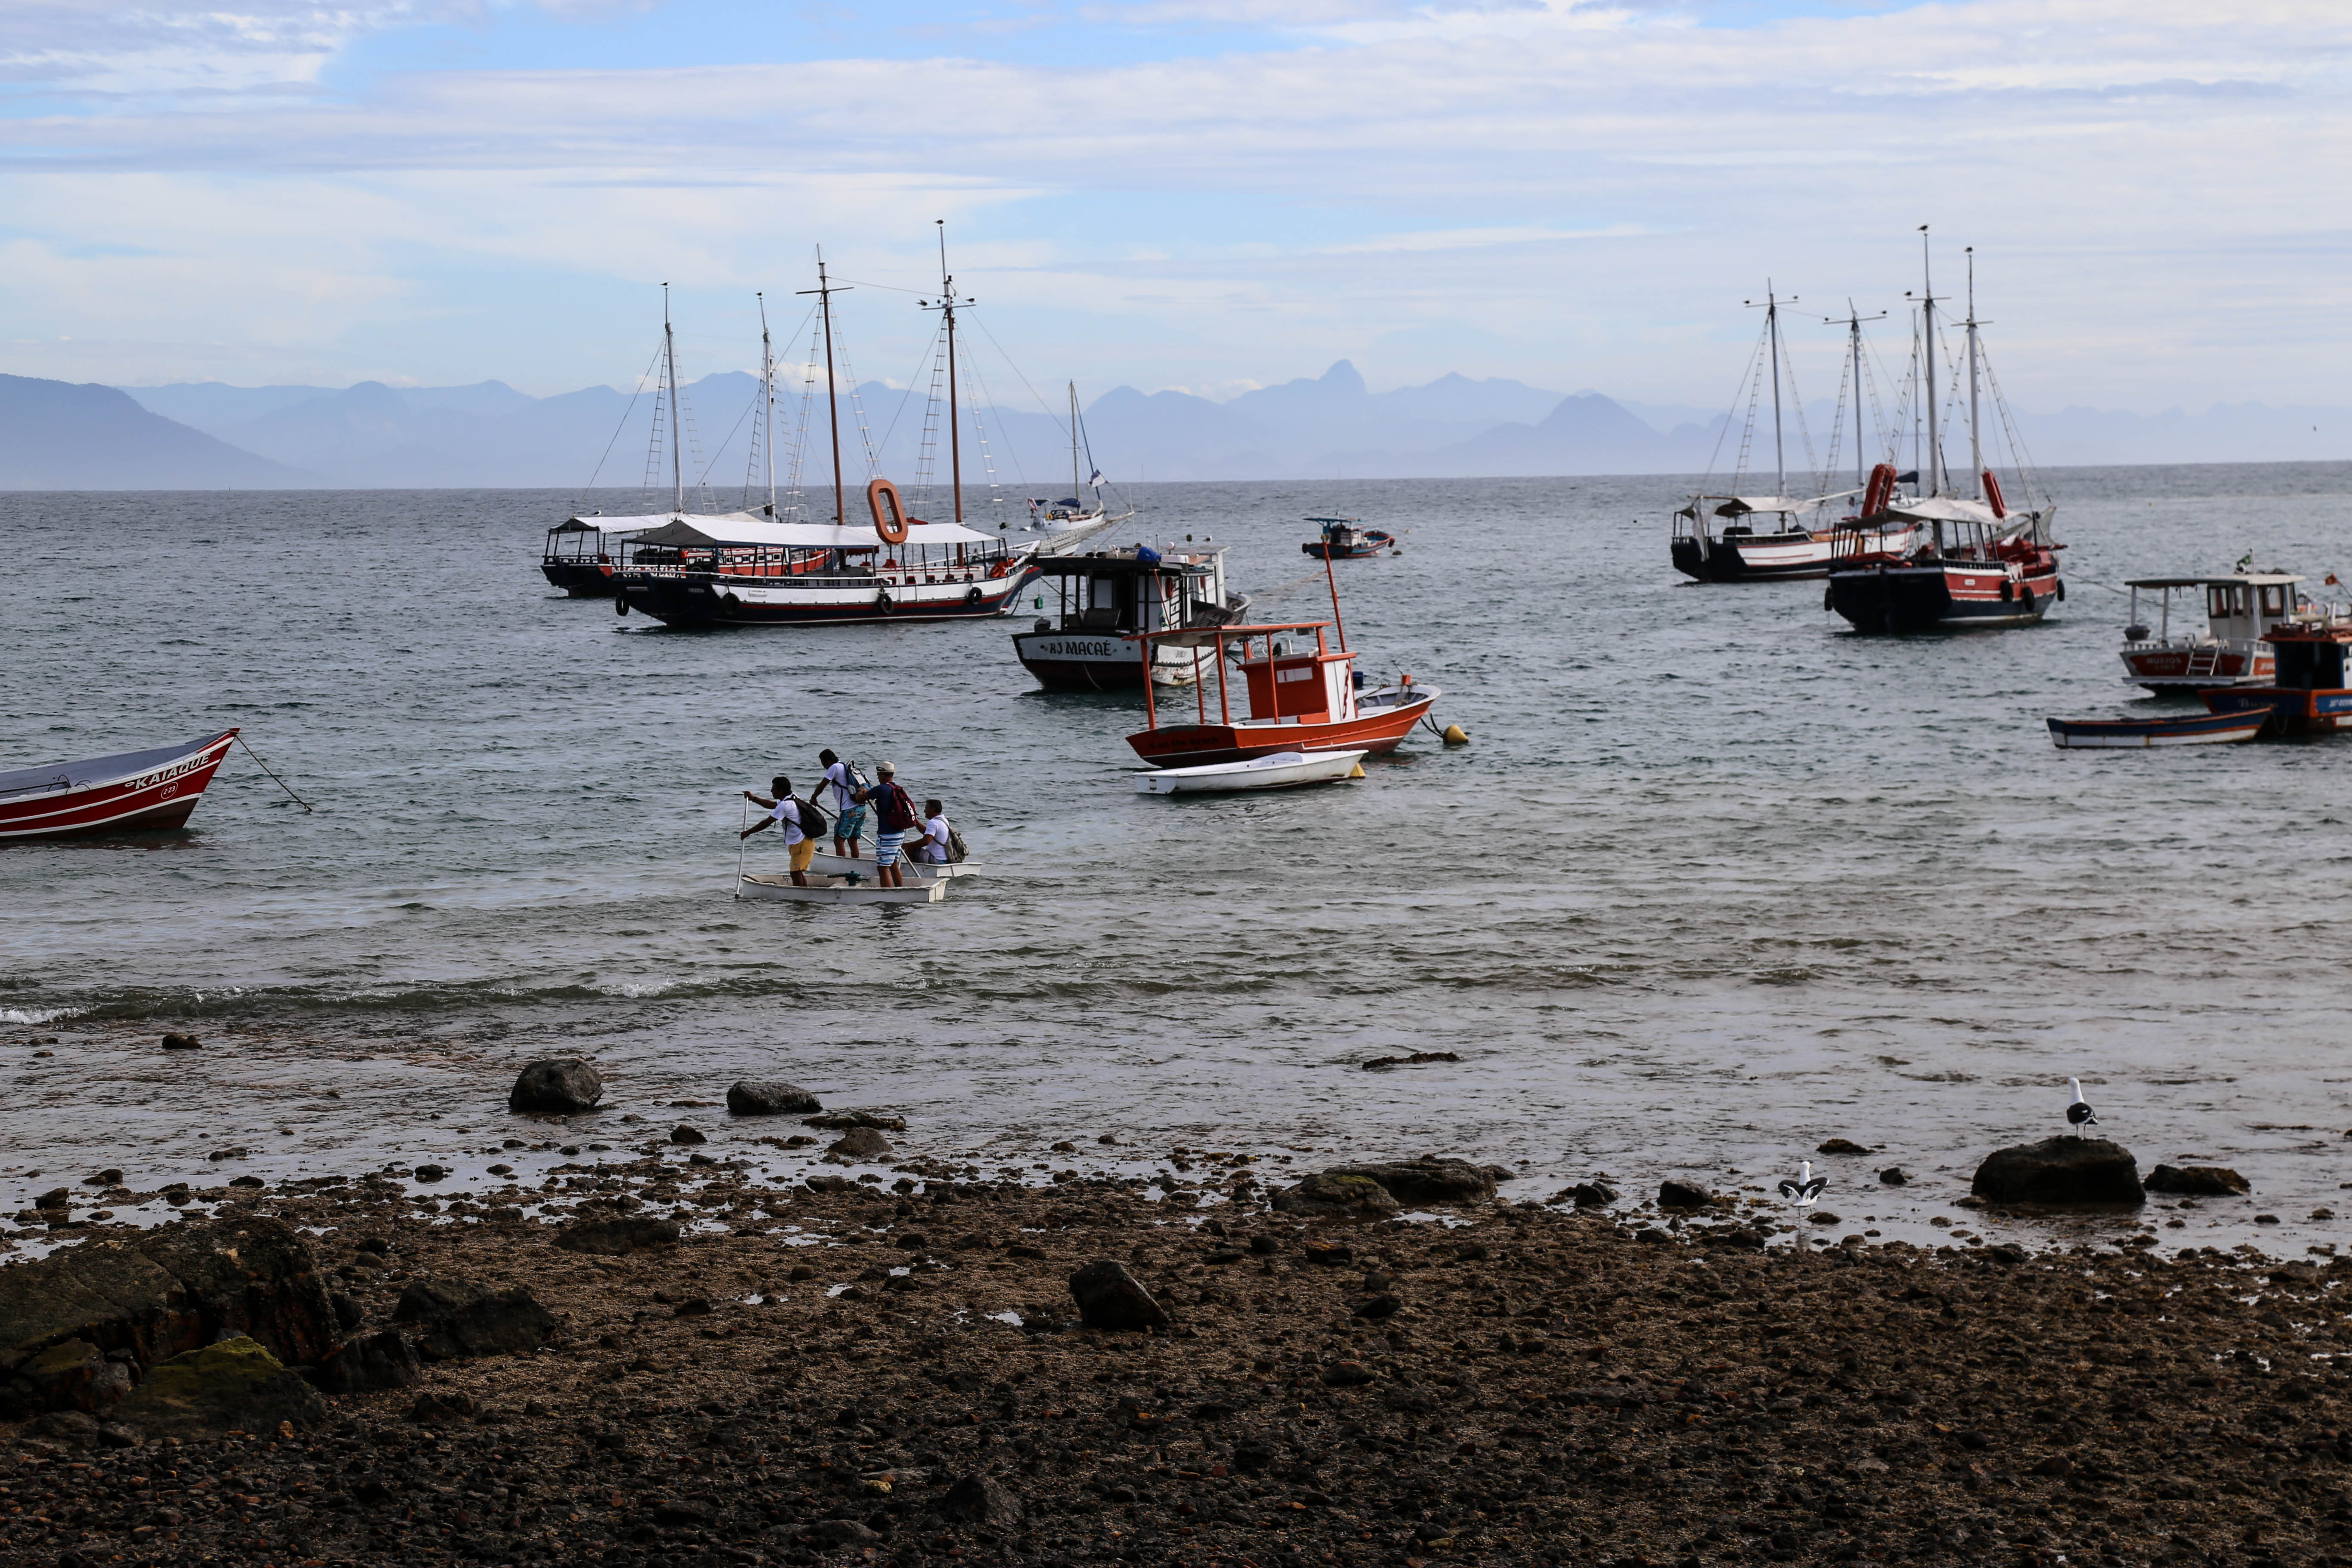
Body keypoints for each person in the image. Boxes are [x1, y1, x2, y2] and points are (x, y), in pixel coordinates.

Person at [852, 761, 922, 889]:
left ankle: (887, 894)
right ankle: (899, 890)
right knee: (894, 864)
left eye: (879, 775)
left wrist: (861, 789)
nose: (878, 777)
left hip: (887, 834)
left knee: (882, 867)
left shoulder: (881, 789)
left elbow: (860, 798)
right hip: (900, 833)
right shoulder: (897, 788)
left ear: (883, 775)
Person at [739, 775, 815, 886]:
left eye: (773, 789)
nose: (771, 791)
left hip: (801, 844)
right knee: (797, 872)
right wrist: (754, 799)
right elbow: (772, 805)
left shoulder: (786, 805)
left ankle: (801, 895)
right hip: (800, 843)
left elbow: (767, 823)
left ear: (781, 791)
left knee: (795, 873)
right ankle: (804, 894)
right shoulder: (792, 797)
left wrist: (748, 832)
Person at [818, 748, 865, 860]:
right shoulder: (844, 767)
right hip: (861, 808)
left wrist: (814, 798)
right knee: (853, 840)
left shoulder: (834, 767)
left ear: (829, 761)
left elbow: (823, 784)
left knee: (839, 839)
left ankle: (841, 865)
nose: (825, 767)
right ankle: (855, 863)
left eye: (824, 764)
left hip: (850, 809)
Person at [916, 799, 952, 865]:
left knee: (910, 850)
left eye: (926, 808)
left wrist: (907, 845)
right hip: (946, 859)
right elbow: (927, 833)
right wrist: (916, 822)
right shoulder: (944, 820)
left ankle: (917, 869)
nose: (924, 811)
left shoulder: (933, 822)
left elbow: (926, 842)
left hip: (937, 860)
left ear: (933, 810)